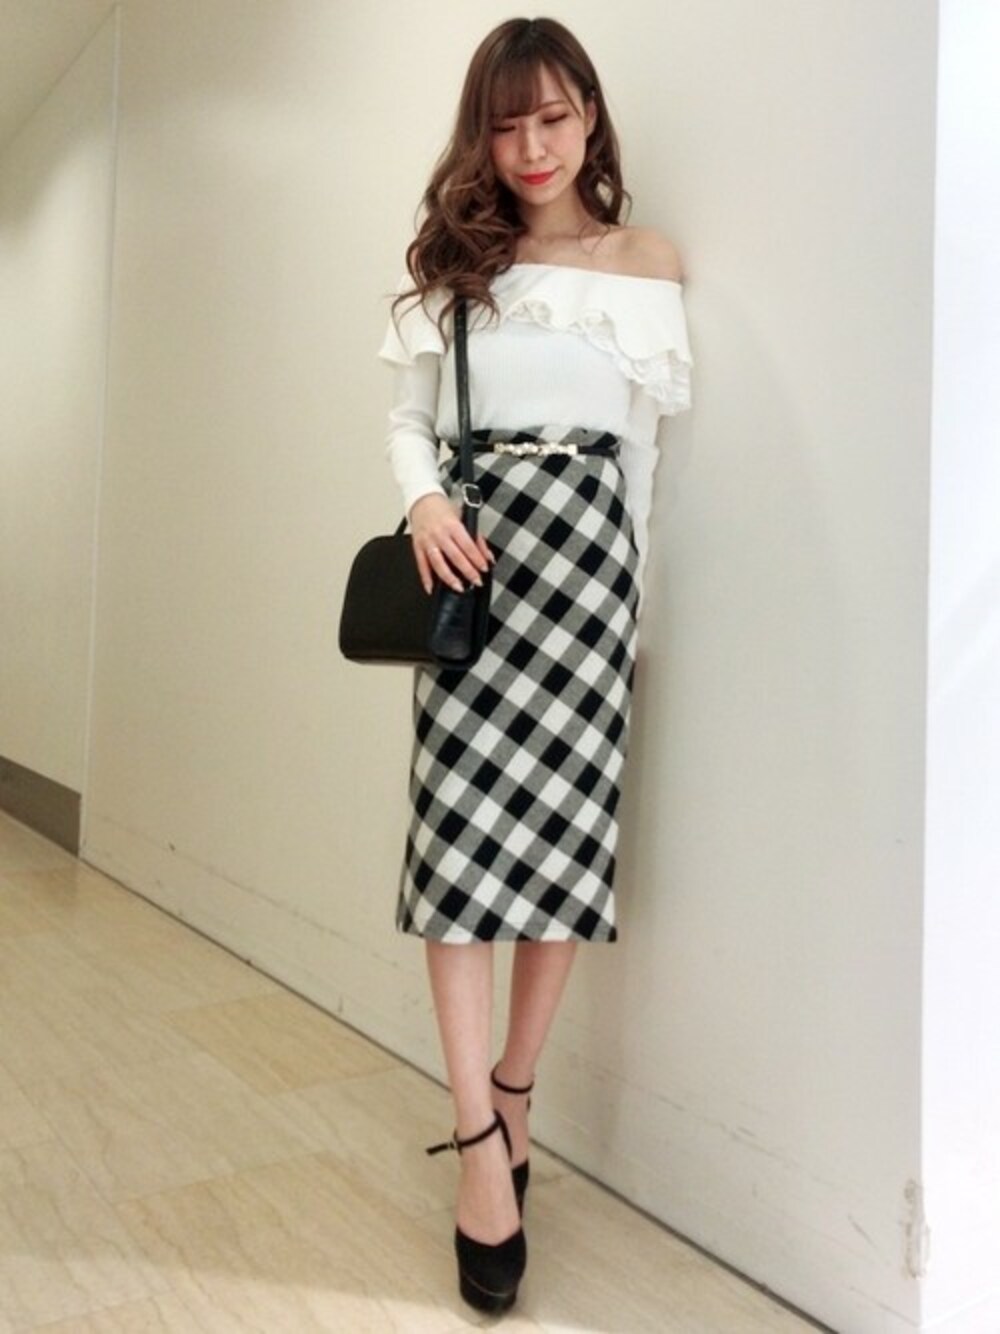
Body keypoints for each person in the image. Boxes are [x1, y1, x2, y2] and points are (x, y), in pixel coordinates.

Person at [376, 16, 693, 1314]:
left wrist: (633, 613)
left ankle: (517, 1093)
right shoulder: (459, 268)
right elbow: (408, 420)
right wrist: (422, 502)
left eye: (554, 117)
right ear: (483, 136)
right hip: (473, 567)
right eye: (507, 125)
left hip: (588, 583)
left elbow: (642, 458)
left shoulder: (647, 264)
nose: (533, 146)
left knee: (565, 852)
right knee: (457, 857)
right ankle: (478, 1147)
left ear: (590, 117)